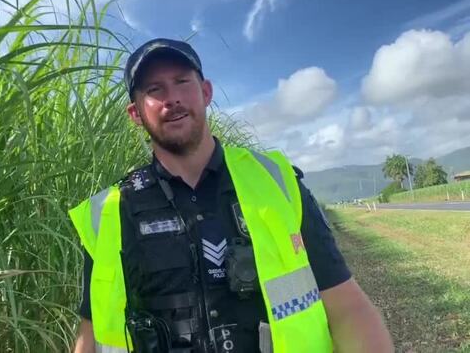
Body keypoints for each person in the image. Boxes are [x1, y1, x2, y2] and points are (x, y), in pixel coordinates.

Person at [70, 38, 393, 353]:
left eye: (182, 82)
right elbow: (91, 335)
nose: (172, 98)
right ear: (135, 113)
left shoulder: (276, 183)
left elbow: (346, 307)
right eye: (154, 90)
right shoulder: (109, 213)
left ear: (206, 92)